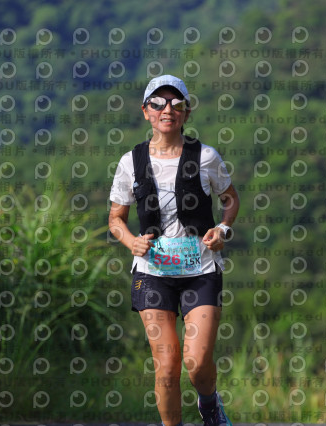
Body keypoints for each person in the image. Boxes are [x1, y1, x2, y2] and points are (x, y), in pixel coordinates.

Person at [108, 75, 239, 426]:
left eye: (176, 104)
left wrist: (223, 229)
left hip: (201, 272)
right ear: (146, 111)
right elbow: (116, 219)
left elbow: (230, 199)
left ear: (186, 113)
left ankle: (209, 405)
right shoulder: (130, 162)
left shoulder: (206, 156)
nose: (168, 110)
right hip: (152, 274)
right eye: (158, 104)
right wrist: (131, 241)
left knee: (196, 363)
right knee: (167, 367)